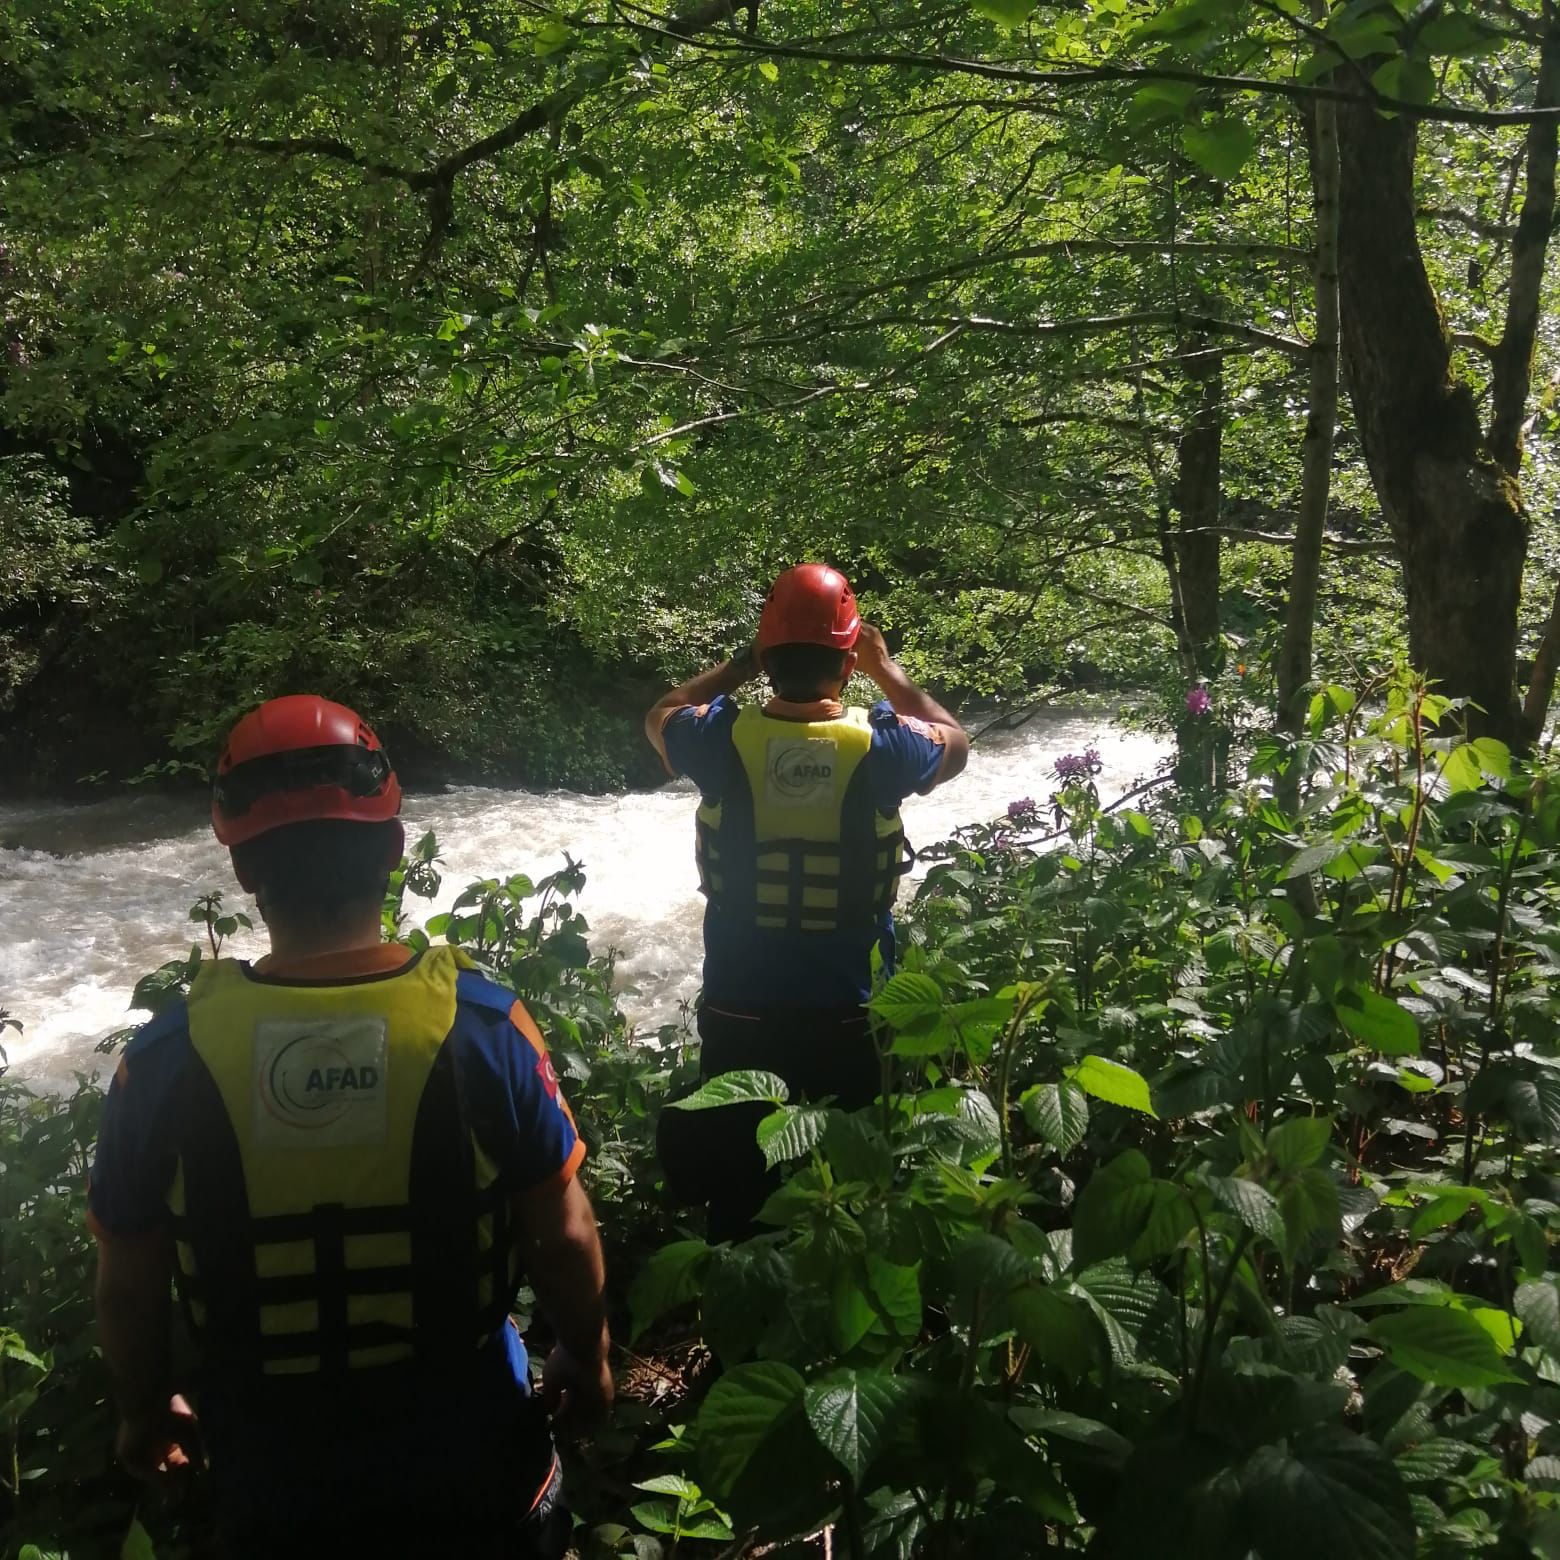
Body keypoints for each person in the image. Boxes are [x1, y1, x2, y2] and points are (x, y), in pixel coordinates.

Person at [88, 695, 612, 1559]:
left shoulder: (164, 1062)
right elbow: (561, 1235)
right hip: (476, 1472)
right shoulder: (484, 1027)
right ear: (396, 849)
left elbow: (128, 1285)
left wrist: (144, 1409)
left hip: (276, 1491)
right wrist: (586, 1360)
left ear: (246, 870)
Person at [646, 564, 968, 1237]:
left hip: (739, 1013)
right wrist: (890, 674)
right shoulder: (883, 747)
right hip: (850, 1019)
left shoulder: (718, 739)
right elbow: (956, 743)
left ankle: (741, 1316)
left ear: (767, 658)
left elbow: (660, 714)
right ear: (847, 666)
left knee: (740, 1198)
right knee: (846, 1203)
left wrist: (737, 667)